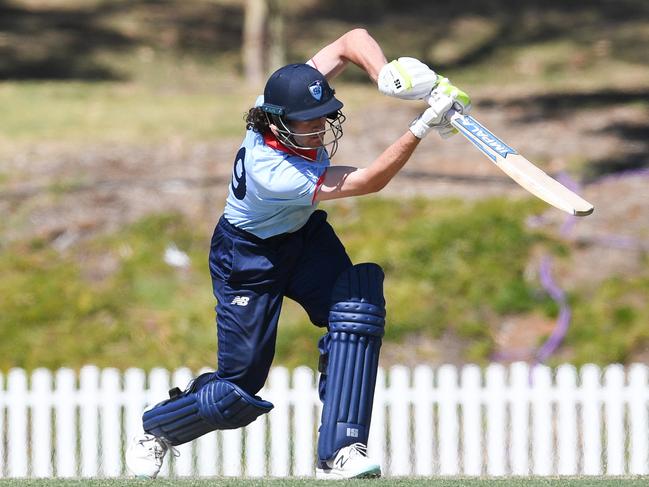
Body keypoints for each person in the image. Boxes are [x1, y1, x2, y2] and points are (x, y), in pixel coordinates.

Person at [125, 28, 470, 480]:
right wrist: (421, 127)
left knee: (357, 310)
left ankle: (342, 449)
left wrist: (385, 75)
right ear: (275, 122)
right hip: (247, 259)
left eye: (323, 117)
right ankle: (158, 431)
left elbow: (351, 40)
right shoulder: (273, 172)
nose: (318, 128)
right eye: (307, 121)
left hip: (302, 238)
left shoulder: (277, 100)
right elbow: (368, 181)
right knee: (236, 391)